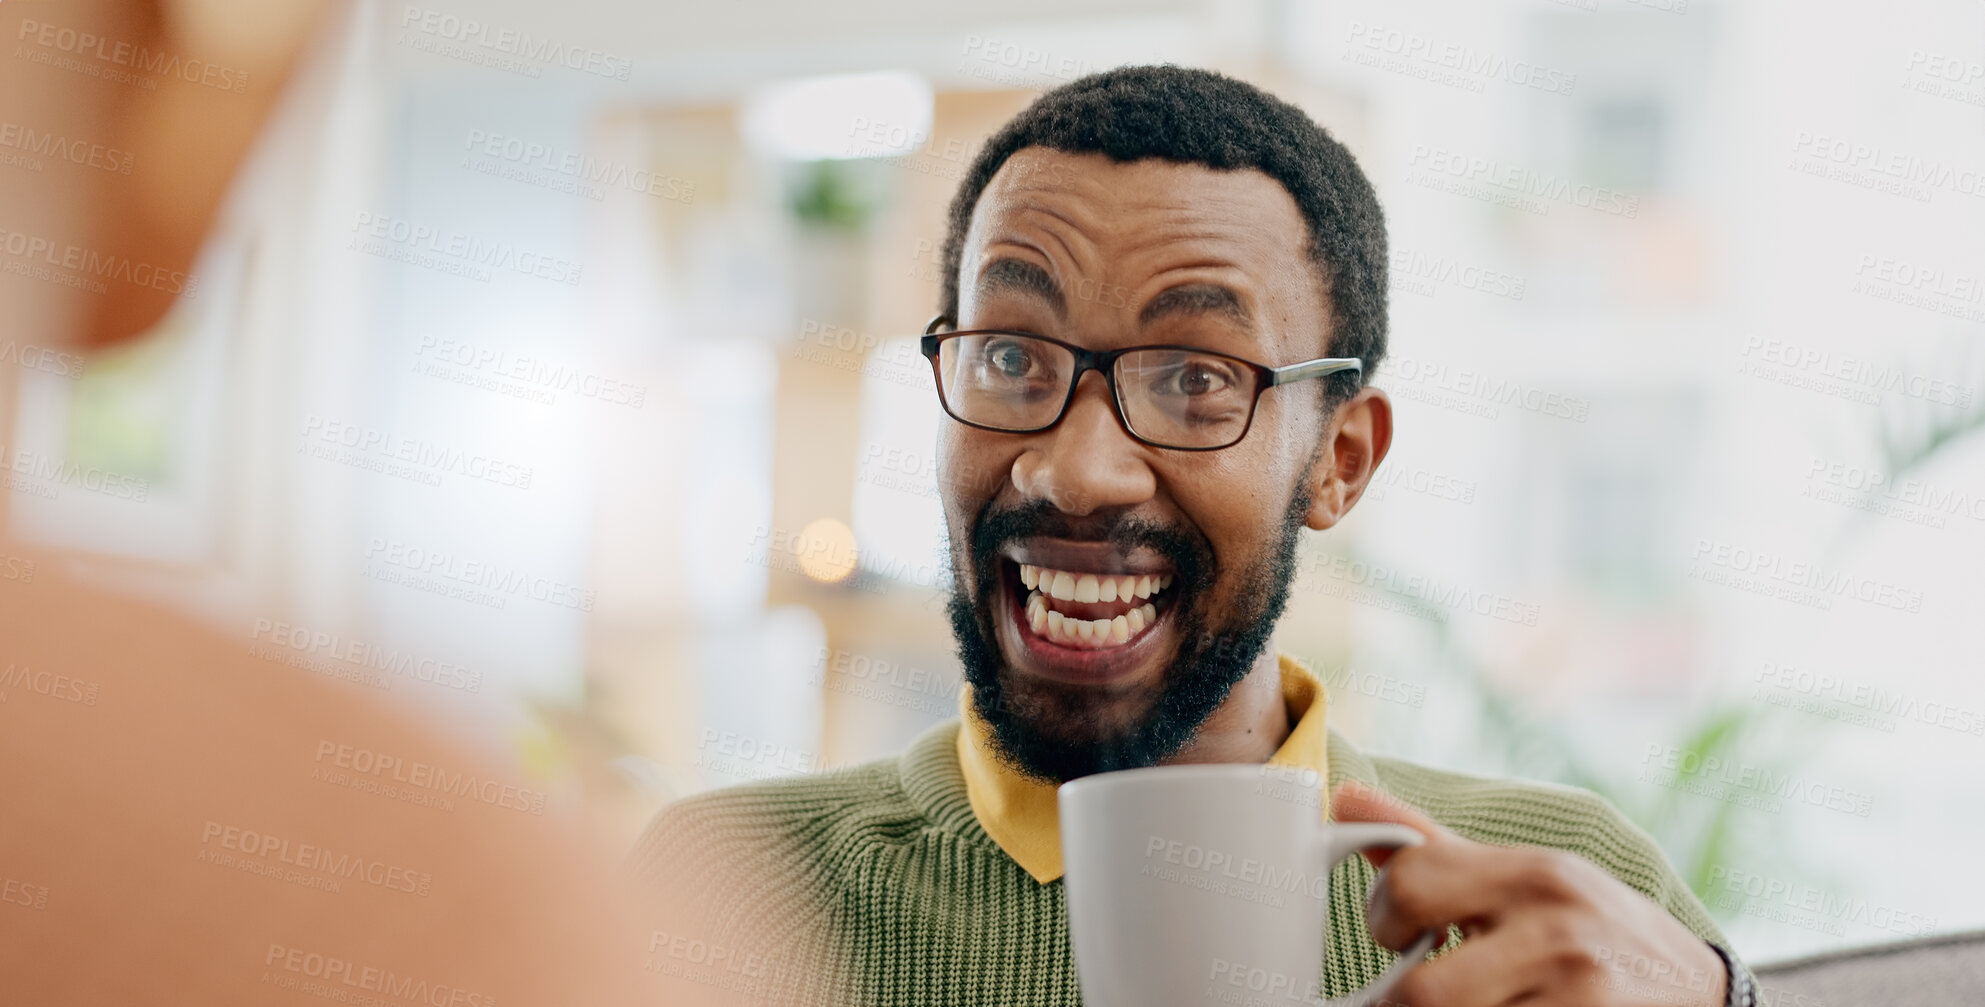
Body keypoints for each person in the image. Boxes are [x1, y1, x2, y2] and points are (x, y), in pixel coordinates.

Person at [632, 65, 1761, 1007]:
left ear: (1339, 459)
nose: (1073, 470)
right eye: (1012, 357)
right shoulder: (718, 887)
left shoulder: (1554, 893)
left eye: (1193, 377)